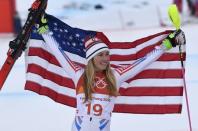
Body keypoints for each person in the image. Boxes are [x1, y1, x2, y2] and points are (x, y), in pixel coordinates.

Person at [37, 15, 186, 131]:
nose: (105, 59)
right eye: (100, 55)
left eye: (107, 54)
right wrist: (44, 31)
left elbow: (143, 61)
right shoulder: (79, 74)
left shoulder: (115, 76)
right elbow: (59, 52)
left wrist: (166, 44)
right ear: (91, 58)